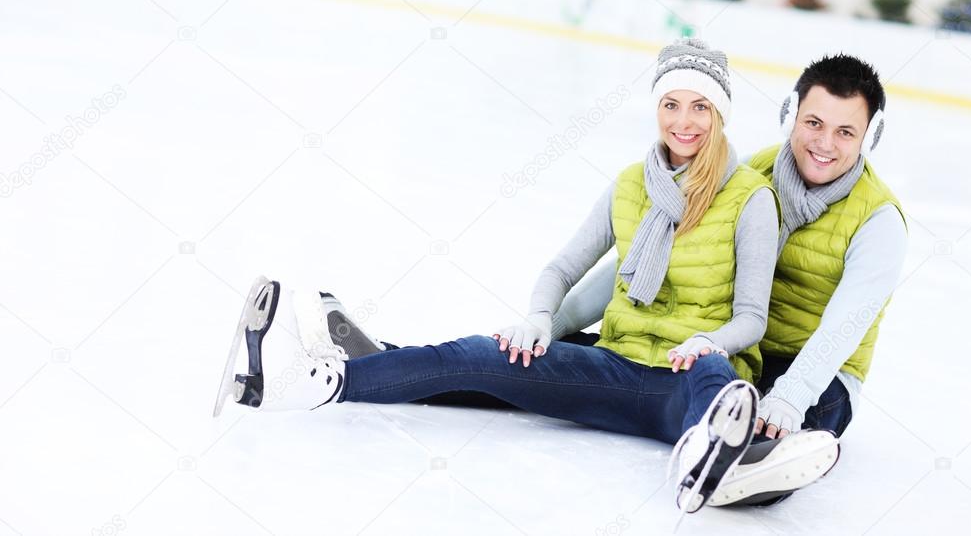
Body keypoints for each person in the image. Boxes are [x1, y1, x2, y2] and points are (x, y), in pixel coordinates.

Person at [214, 39, 812, 514]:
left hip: (688, 374)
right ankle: (322, 382)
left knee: (715, 380)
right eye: (671, 104)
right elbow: (561, 269)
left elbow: (750, 319)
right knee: (485, 354)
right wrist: (538, 318)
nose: (684, 122)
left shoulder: (750, 199)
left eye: (700, 106)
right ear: (657, 108)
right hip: (614, 362)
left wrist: (710, 342)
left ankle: (708, 457)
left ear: (720, 114)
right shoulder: (631, 185)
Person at [322, 53, 905, 507]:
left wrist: (789, 397)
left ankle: (744, 474)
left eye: (846, 132)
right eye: (814, 122)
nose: (824, 143)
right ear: (791, 116)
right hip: (710, 344)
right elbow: (643, 266)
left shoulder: (878, 220)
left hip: (810, 368)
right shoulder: (748, 176)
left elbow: (844, 326)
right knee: (540, 360)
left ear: (868, 136)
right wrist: (549, 320)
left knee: (794, 428)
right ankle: (402, 362)